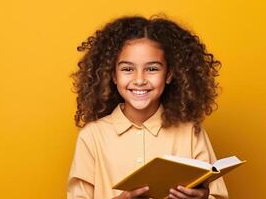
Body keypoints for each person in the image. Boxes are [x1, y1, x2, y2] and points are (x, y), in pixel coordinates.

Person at [67, 14, 229, 199]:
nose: (139, 80)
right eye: (127, 69)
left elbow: (216, 195)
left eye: (152, 69)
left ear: (169, 75)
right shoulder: (92, 137)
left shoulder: (190, 132)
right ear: (112, 75)